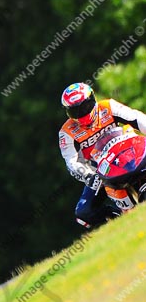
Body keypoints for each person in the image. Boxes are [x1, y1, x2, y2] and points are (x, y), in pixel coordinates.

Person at [59, 82, 146, 227]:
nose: (82, 114)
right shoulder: (66, 132)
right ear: (67, 112)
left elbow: (137, 118)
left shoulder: (108, 106)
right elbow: (71, 161)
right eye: (75, 111)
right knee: (83, 213)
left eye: (85, 106)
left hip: (129, 151)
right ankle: (120, 220)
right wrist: (87, 174)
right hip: (99, 170)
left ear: (93, 99)